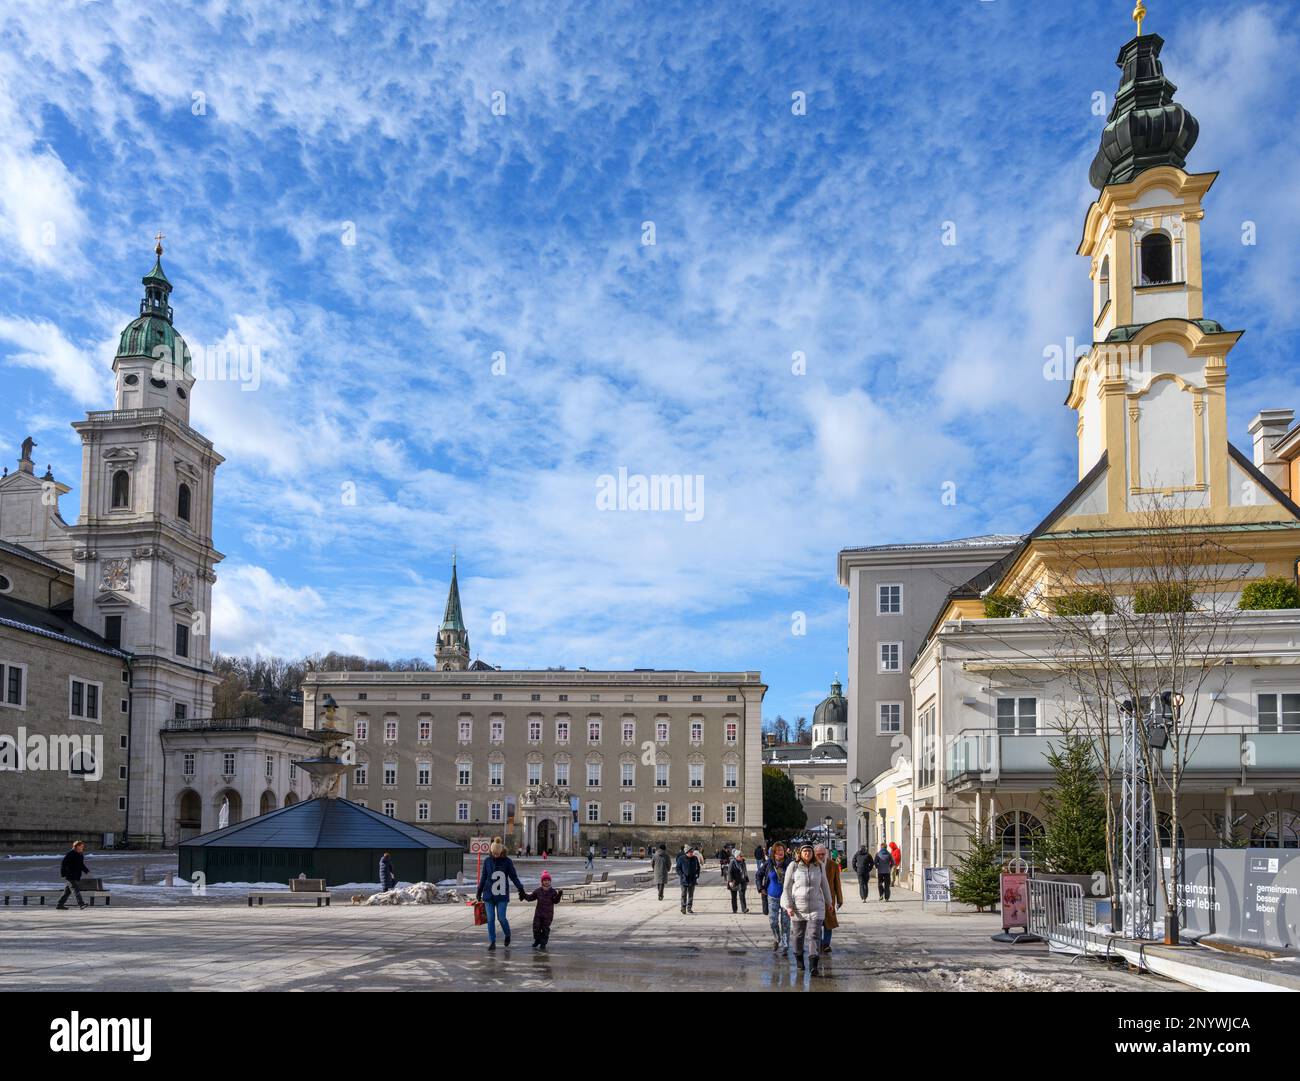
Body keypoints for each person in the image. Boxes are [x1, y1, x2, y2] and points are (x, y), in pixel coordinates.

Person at [782, 842, 831, 974]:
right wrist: (788, 906)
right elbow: (786, 887)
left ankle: (813, 965)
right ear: (800, 853)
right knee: (798, 936)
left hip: (816, 907)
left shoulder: (819, 866)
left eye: (810, 851)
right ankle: (799, 960)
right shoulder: (793, 866)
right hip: (798, 908)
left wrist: (829, 902)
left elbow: (825, 885)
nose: (807, 854)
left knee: (815, 935)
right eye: (805, 851)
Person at [476, 837, 525, 950]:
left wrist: (520, 889)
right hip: (488, 895)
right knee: (490, 919)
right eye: (493, 853)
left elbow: (513, 877)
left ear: (501, 852)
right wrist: (479, 890)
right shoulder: (488, 861)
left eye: (497, 853)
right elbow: (483, 877)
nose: (495, 855)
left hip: (502, 895)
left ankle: (507, 934)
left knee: (501, 918)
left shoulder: (507, 861)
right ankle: (492, 942)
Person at [520, 870, 564, 950]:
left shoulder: (553, 892)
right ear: (542, 882)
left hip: (548, 915)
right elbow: (530, 898)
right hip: (538, 914)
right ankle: (537, 940)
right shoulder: (538, 891)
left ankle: (543, 943)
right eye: (545, 880)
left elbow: (556, 901)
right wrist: (523, 895)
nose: (546, 882)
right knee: (536, 928)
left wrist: (559, 894)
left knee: (545, 929)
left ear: (550, 882)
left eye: (548, 880)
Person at [763, 842, 791, 951]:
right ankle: (777, 938)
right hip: (772, 896)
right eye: (777, 850)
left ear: (785, 852)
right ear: (773, 853)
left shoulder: (789, 864)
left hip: (786, 897)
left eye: (781, 850)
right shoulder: (769, 863)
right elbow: (759, 874)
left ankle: (785, 944)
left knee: (785, 923)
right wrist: (761, 888)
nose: (780, 852)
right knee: (773, 921)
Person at [816, 844, 843, 953]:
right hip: (816, 898)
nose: (821, 856)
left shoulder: (833, 865)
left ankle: (826, 944)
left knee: (829, 923)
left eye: (823, 854)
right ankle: (819, 943)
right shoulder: (812, 865)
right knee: (817, 923)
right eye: (818, 854)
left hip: (829, 899)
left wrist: (840, 899)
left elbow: (837, 883)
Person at [56, 841, 89, 911]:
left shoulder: (80, 855)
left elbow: (81, 865)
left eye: (83, 846)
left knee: (67, 892)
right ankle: (81, 904)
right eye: (81, 846)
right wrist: (63, 874)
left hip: (76, 875)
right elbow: (63, 864)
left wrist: (86, 870)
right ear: (77, 846)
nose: (82, 847)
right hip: (70, 875)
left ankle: (59, 905)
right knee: (76, 890)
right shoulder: (70, 854)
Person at [675, 844, 701, 914]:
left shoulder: (695, 858)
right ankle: (683, 908)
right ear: (686, 852)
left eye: (692, 852)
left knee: (691, 895)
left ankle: (689, 908)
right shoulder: (681, 859)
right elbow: (677, 868)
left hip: (692, 879)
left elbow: (698, 867)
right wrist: (682, 875)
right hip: (684, 879)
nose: (691, 853)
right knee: (684, 894)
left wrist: (697, 874)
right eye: (690, 852)